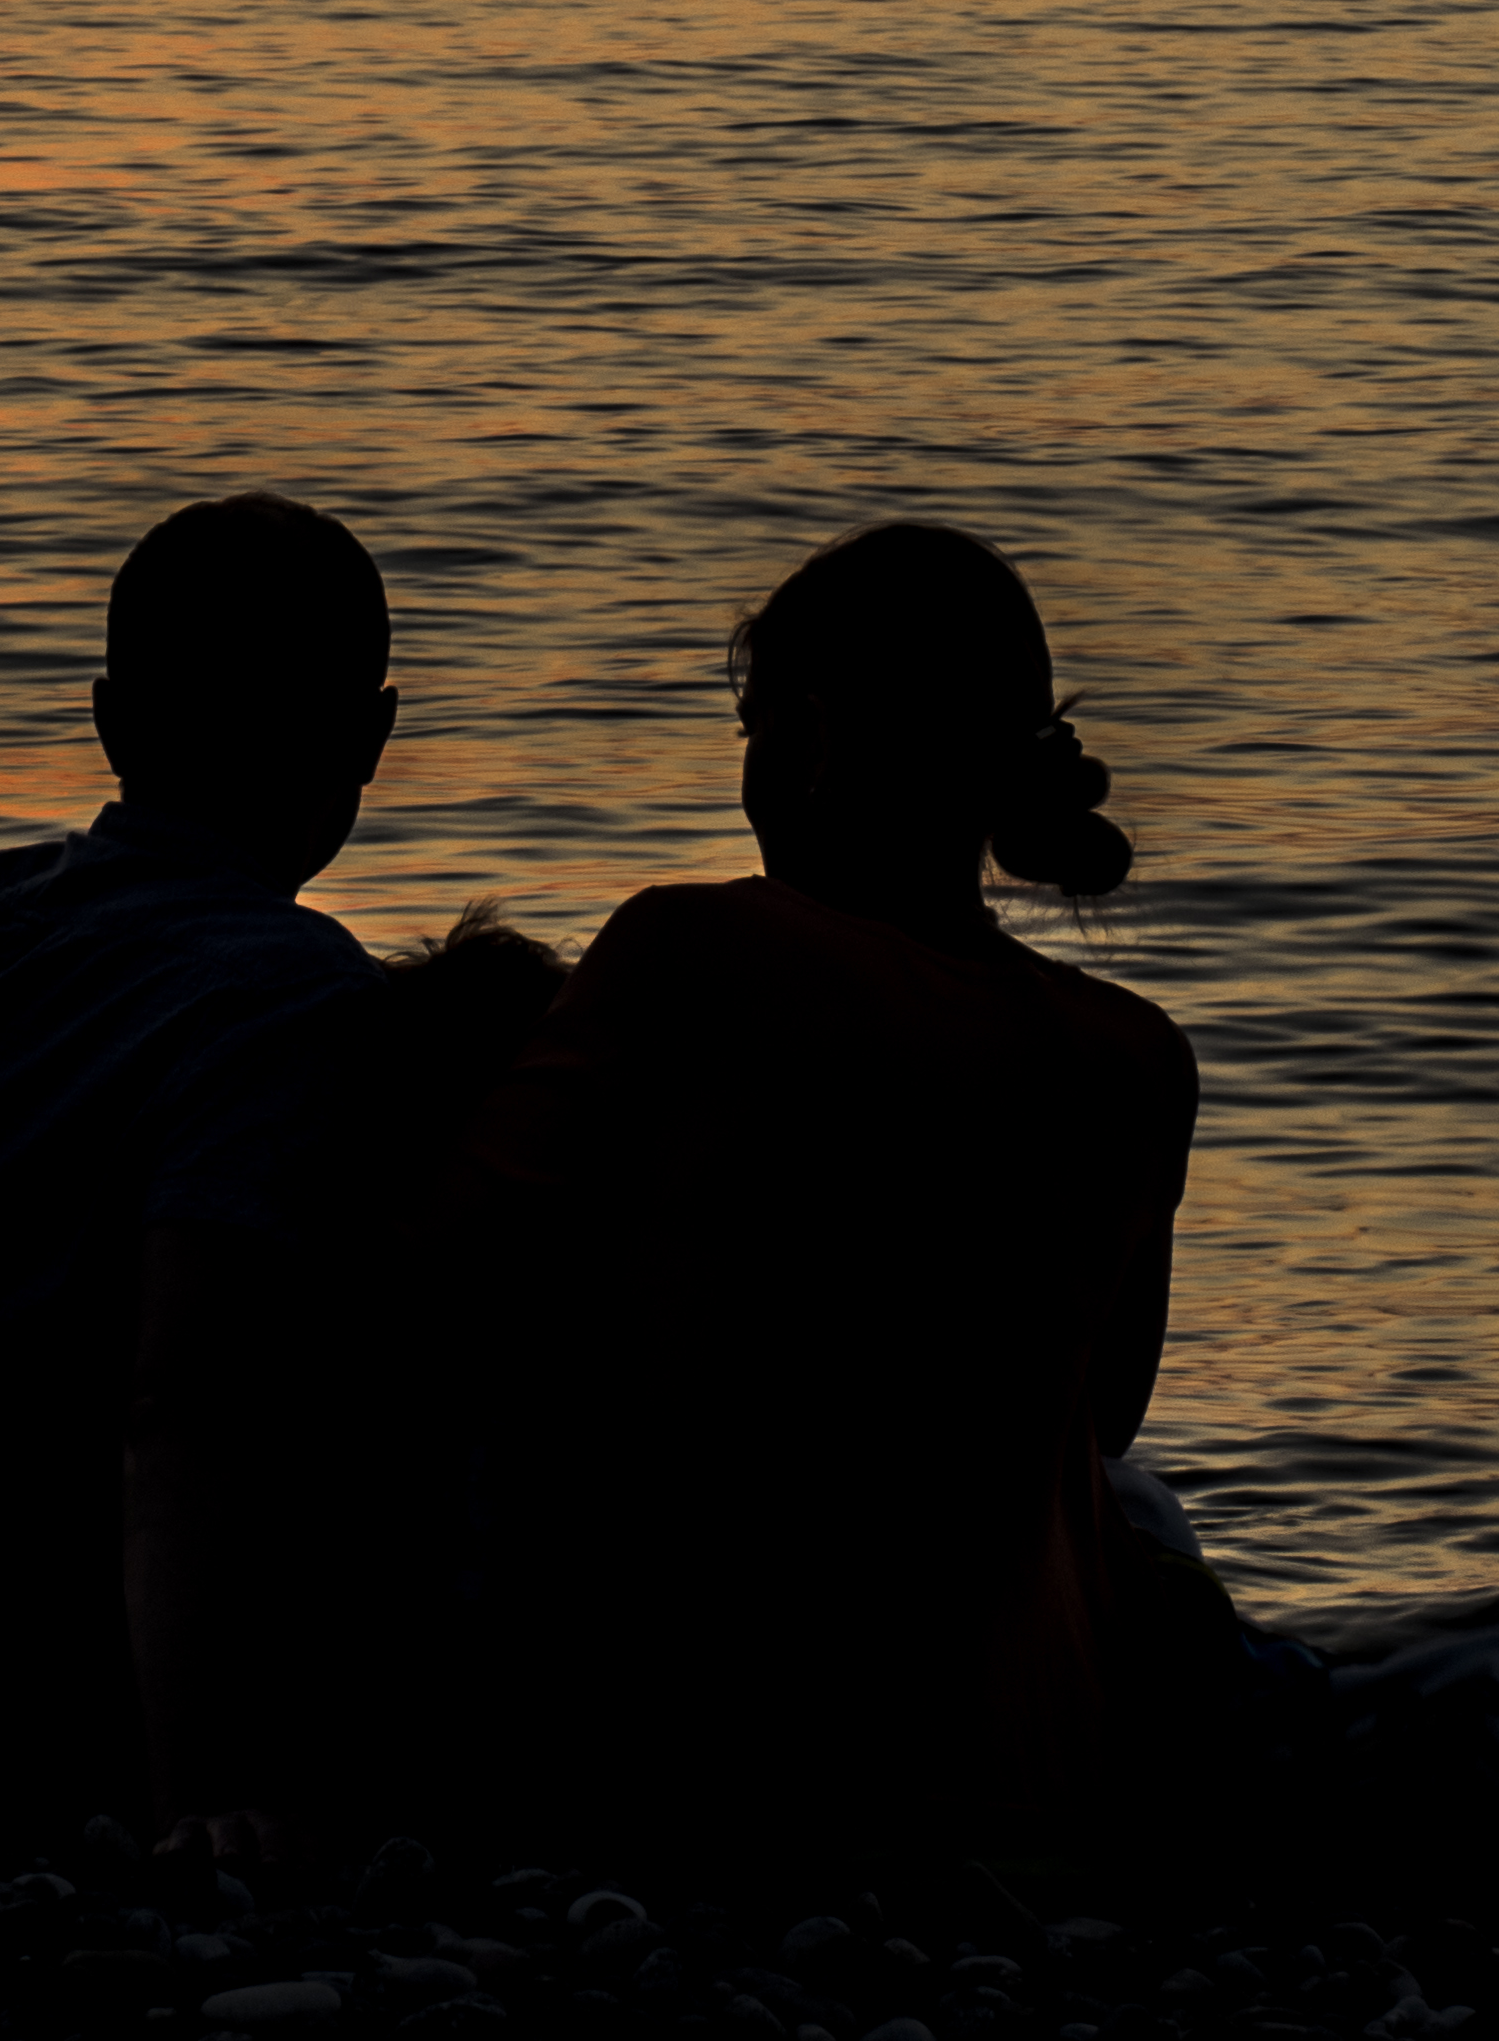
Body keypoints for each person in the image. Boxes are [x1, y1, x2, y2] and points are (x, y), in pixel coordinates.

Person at [452, 520, 1199, 1837]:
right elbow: (1107, 1414)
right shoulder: (1134, 1058)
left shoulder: (691, 949)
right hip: (1034, 1771)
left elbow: (451, 1263)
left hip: (700, 1751)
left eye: (749, 730)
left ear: (807, 738)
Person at [0, 491, 397, 1843]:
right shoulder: (293, 996)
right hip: (35, 1734)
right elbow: (185, 1400)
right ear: (371, 737)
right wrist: (201, 1807)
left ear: (106, 722)